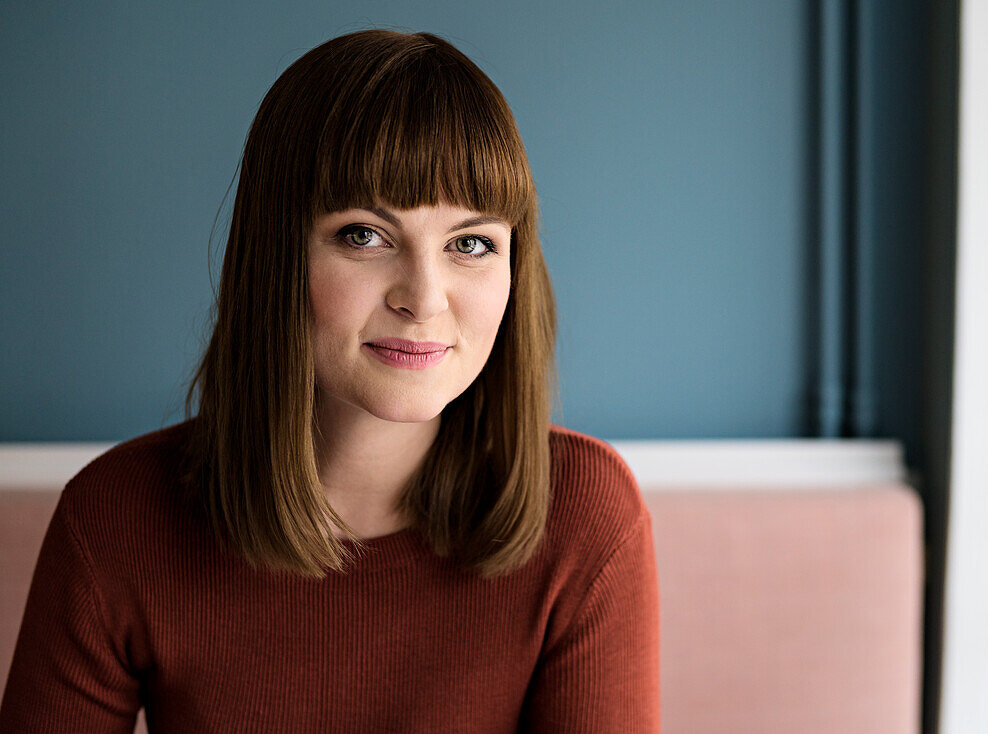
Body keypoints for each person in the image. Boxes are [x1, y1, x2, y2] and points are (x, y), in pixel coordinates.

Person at [0, 28, 660, 733]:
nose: (425, 297)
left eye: (471, 243)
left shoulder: (588, 516)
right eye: (363, 235)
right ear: (277, 256)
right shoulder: (114, 519)